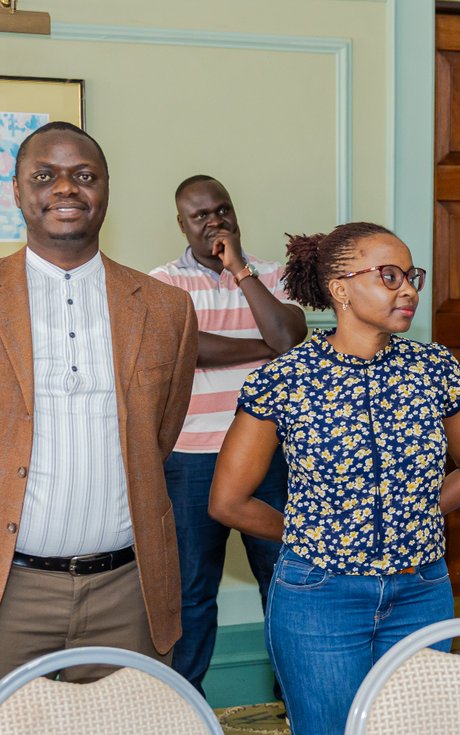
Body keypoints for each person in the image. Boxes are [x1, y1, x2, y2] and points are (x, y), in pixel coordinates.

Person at [0, 121, 198, 735]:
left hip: (129, 592)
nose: (66, 188)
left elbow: (159, 436)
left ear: (106, 190)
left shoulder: (166, 307)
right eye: (45, 175)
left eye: (84, 175)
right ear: (17, 192)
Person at [208, 221, 460, 735]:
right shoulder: (285, 379)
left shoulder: (435, 368)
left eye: (411, 276)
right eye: (389, 276)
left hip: (420, 592)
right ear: (340, 288)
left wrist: (415, 513)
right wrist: (312, 531)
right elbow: (228, 500)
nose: (407, 289)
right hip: (320, 597)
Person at [150, 175, 307, 695]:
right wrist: (265, 349)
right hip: (192, 457)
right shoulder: (163, 282)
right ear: (182, 224)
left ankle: (297, 701)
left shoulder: (271, 275)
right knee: (192, 591)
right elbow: (185, 348)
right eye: (201, 215)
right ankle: (183, 710)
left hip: (270, 454)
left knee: (283, 581)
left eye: (223, 209)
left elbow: (288, 335)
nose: (215, 221)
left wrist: (240, 271)